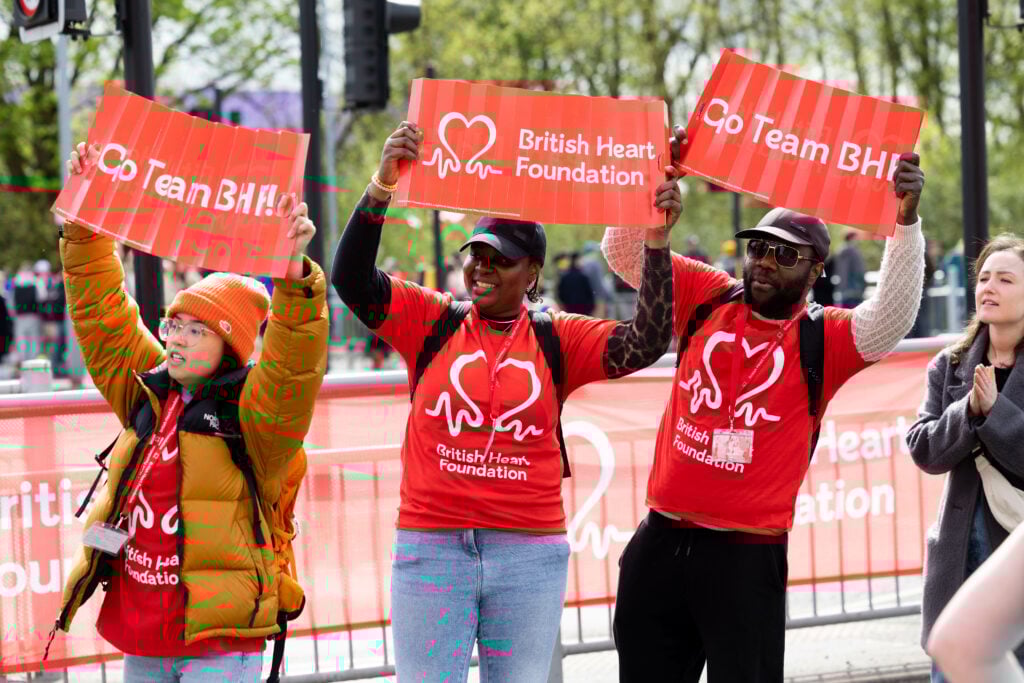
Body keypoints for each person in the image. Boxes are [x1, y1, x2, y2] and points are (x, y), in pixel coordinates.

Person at [332, 121, 678, 682]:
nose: (482, 267)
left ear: (533, 272)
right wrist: (381, 186)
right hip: (432, 548)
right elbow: (351, 279)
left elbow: (647, 340)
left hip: (527, 553)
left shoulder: (557, 337)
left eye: (501, 259)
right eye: (477, 255)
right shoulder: (432, 319)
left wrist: (657, 241)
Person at [601, 126, 927, 682]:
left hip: (745, 557)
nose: (766, 262)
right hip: (659, 540)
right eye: (758, 248)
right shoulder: (709, 295)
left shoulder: (825, 337)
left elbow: (892, 316)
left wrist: (905, 222)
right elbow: (624, 251)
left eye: (785, 255)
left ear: (816, 271)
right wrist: (661, 180)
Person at [52, 142, 329, 682]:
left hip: (221, 647)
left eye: (196, 330)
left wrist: (294, 277)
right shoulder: (150, 390)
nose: (176, 339)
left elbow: (294, 368)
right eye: (174, 325)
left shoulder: (255, 418)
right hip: (146, 637)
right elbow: (104, 319)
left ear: (231, 348)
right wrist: (85, 229)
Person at [905, 233, 1024, 682]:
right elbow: (925, 450)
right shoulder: (950, 365)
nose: (990, 287)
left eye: (1007, 279)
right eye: (985, 278)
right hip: (958, 556)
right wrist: (969, 410)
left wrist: (997, 413)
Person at [557, 251, 597, 315]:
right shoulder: (583, 276)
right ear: (576, 260)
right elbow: (590, 294)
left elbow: (561, 294)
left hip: (569, 311)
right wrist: (591, 307)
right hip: (583, 311)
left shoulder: (564, 277)